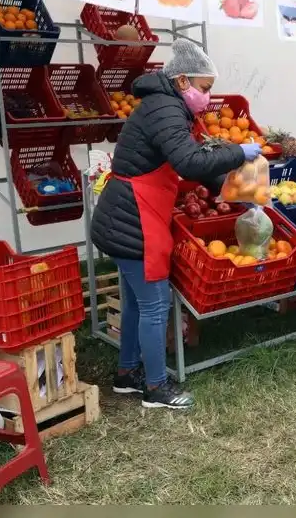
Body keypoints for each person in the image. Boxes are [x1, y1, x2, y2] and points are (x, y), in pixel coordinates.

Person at [91, 39, 263, 410]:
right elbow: (189, 163)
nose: (207, 96)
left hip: (125, 215)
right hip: (133, 220)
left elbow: (192, 158)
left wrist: (230, 190)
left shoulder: (165, 106)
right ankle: (155, 389)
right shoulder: (166, 108)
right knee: (154, 305)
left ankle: (126, 375)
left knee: (137, 303)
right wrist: (238, 152)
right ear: (182, 81)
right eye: (205, 88)